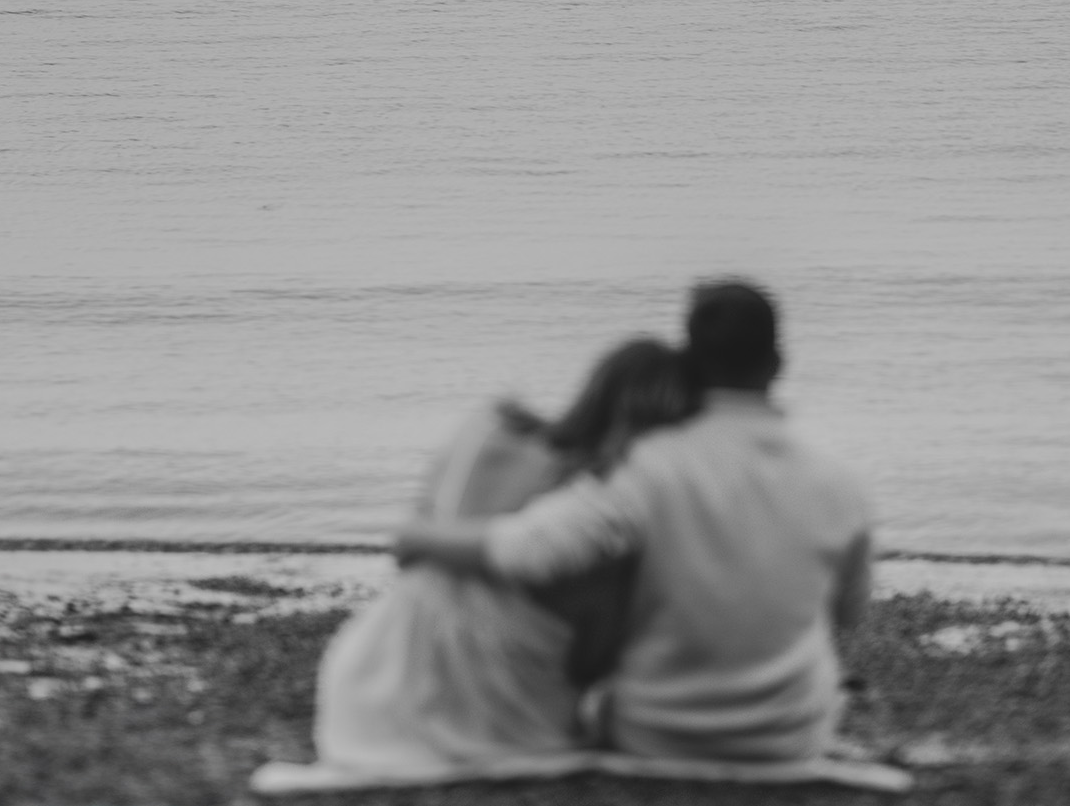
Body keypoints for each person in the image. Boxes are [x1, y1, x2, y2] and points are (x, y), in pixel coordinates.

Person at [396, 279, 872, 762]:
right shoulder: (839, 481)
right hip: (789, 736)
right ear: (778, 363)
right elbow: (847, 615)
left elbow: (527, 552)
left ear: (689, 361)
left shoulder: (649, 466)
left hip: (660, 731)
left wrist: (419, 537)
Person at [314, 338, 695, 773]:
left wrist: (429, 540)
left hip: (366, 682)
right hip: (494, 714)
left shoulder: (490, 427)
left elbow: (412, 540)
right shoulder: (599, 506)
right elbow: (593, 657)